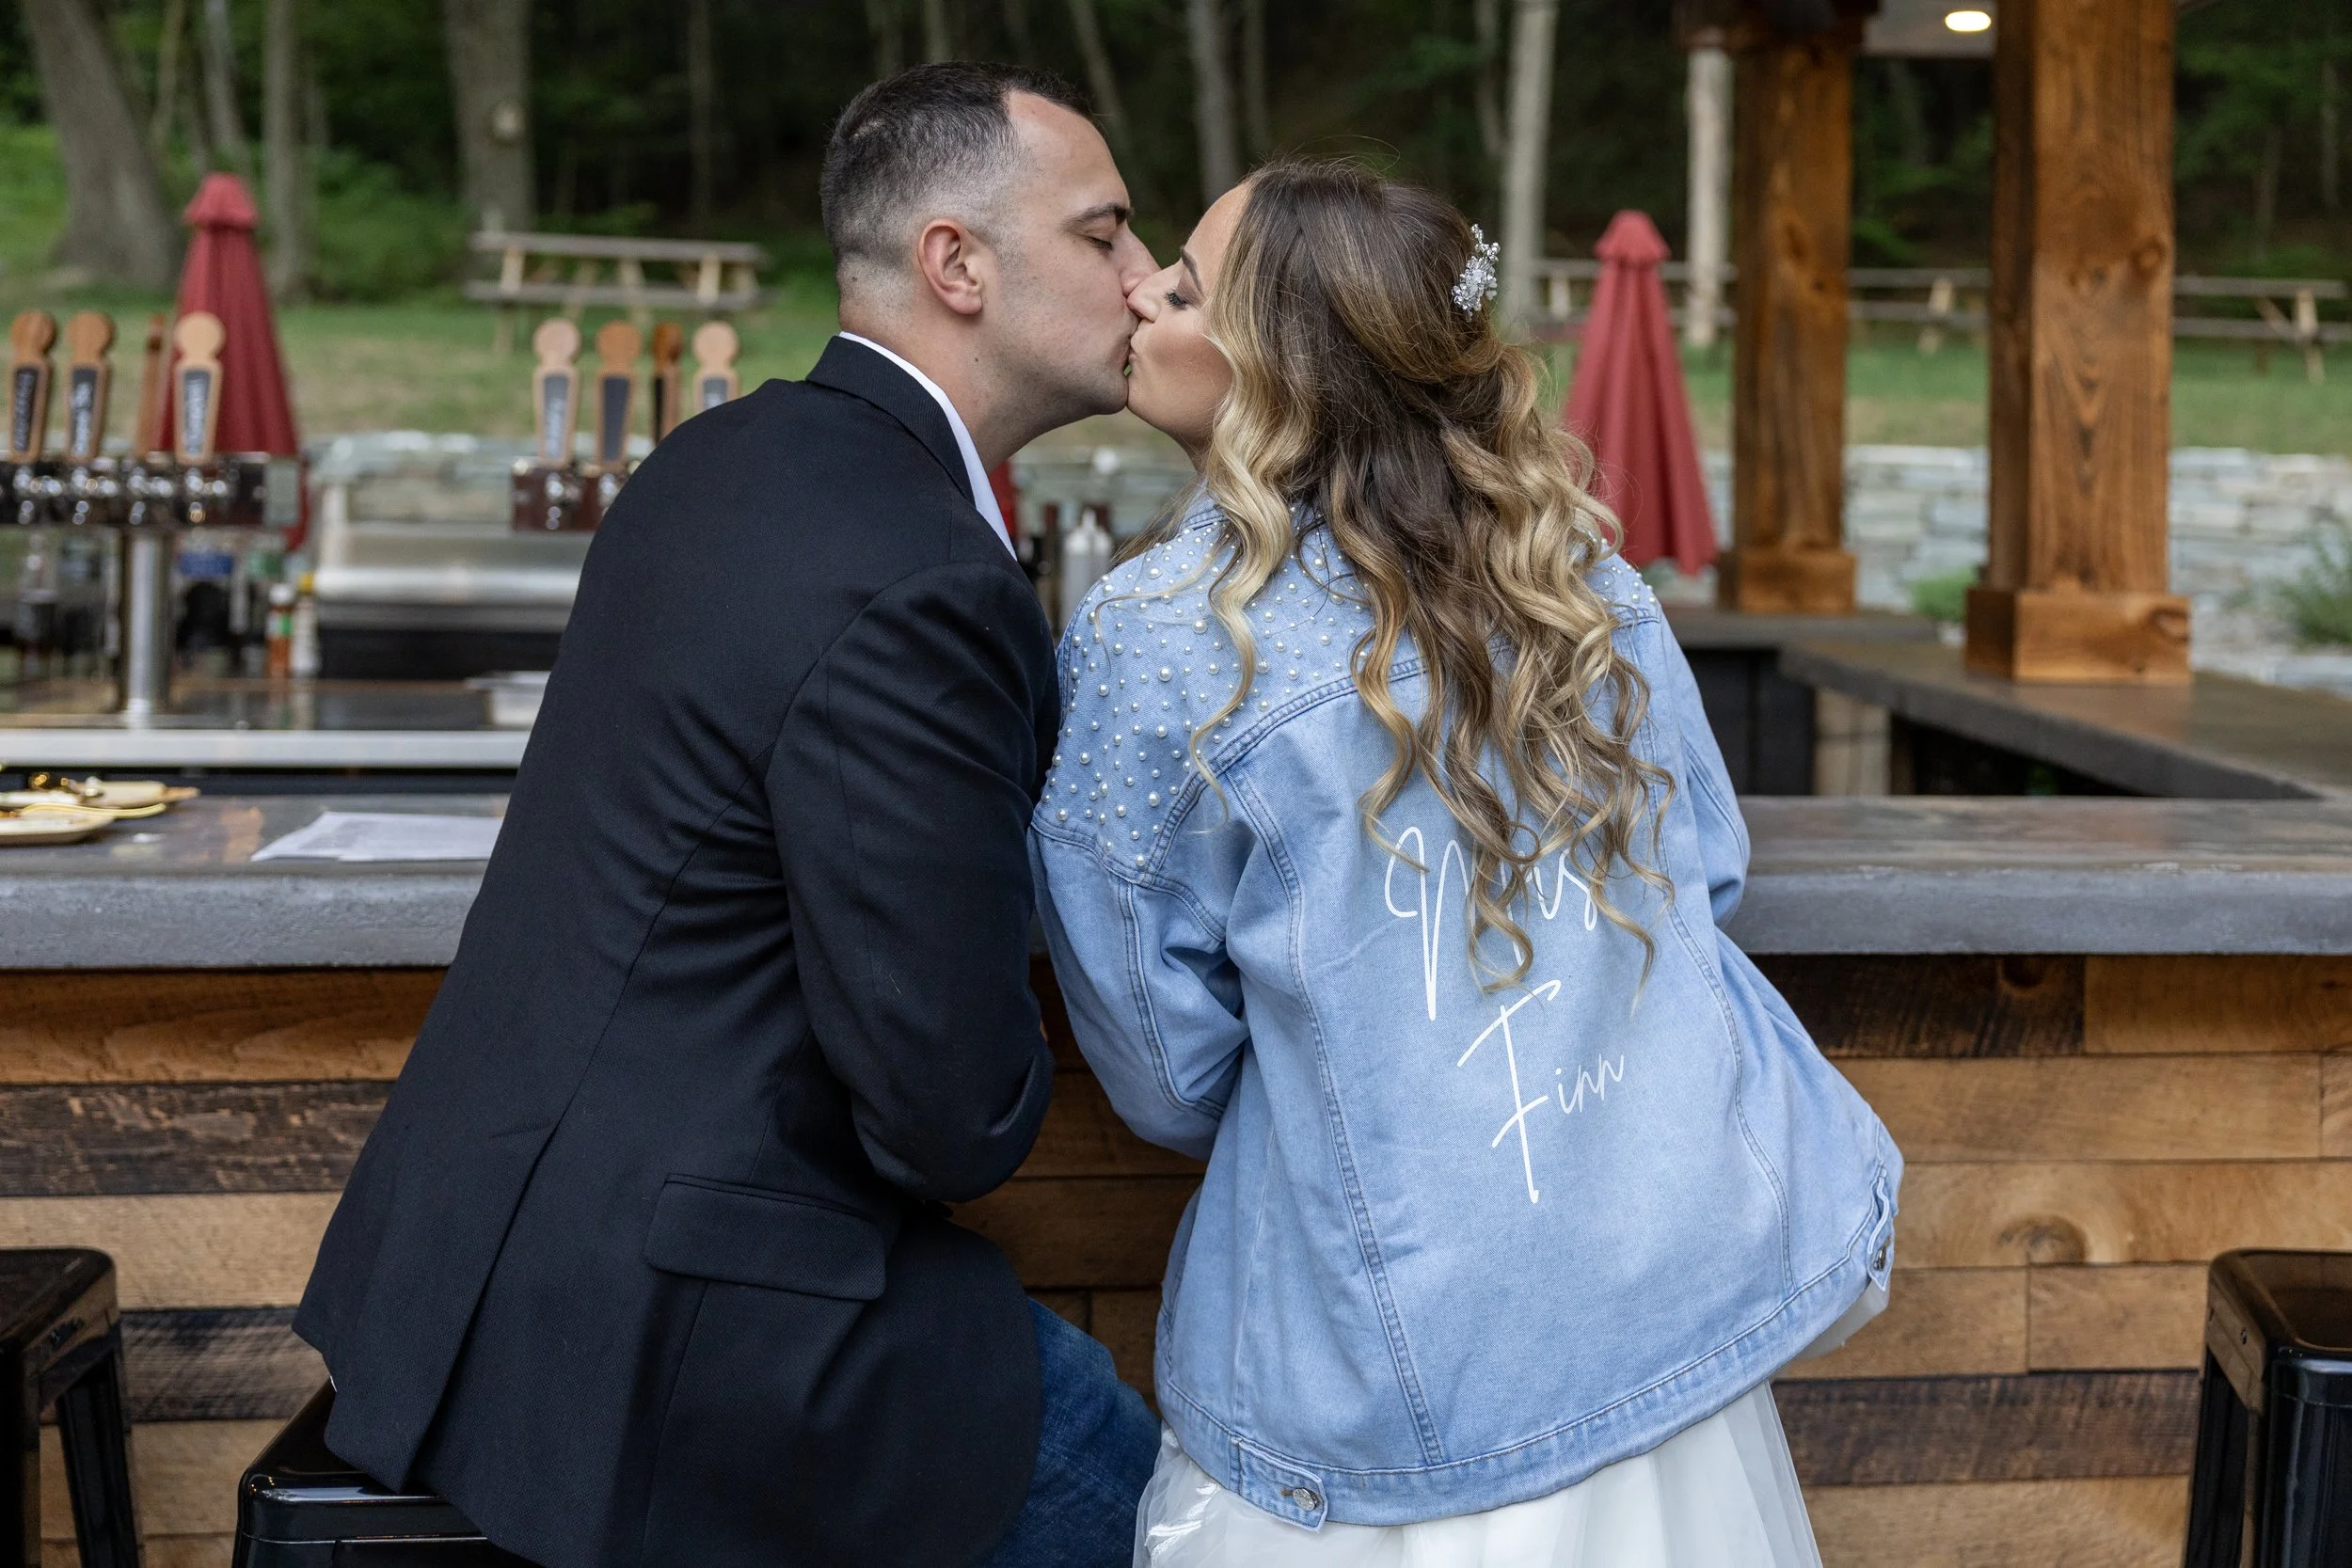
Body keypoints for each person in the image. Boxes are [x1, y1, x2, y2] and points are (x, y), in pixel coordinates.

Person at [294, 64, 1163, 1568]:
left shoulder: (719, 459)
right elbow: (949, 1115)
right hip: (688, 1331)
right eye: (1107, 234)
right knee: (1170, 1516)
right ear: (958, 264)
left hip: (458, 1274)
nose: (1146, 282)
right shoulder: (924, 574)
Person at [1030, 161, 1901, 1567]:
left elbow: (1160, 1060)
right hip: (1644, 1307)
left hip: (1368, 1380)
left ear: (1280, 364)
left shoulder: (1157, 639)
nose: (1141, 289)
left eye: (1184, 284)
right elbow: (1707, 875)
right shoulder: (1582, 580)